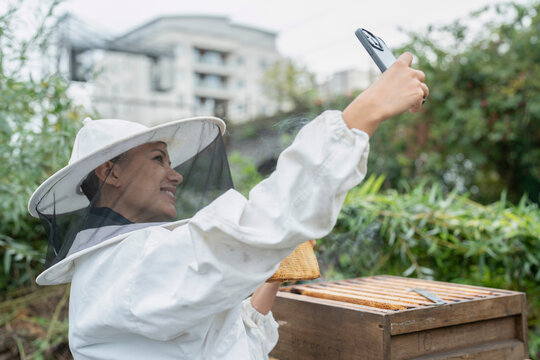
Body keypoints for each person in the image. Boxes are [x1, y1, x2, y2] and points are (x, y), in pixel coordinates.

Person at [28, 52, 428, 359]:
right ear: (110, 173)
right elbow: (254, 229)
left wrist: (271, 273)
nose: (176, 175)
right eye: (157, 159)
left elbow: (225, 346)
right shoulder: (130, 268)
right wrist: (364, 113)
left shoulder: (132, 266)